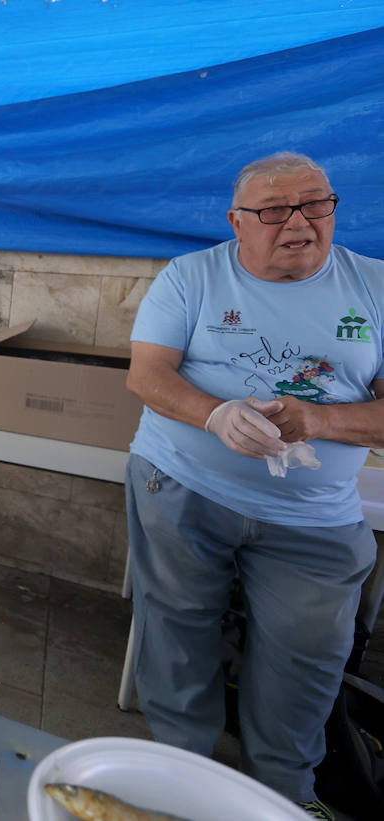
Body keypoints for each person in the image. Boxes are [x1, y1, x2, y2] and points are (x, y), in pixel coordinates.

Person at [125, 152, 381, 818]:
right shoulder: (191, 277)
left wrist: (319, 418)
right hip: (182, 486)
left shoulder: (375, 288)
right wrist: (214, 414)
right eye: (274, 210)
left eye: (314, 204)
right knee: (176, 634)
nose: (297, 222)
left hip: (317, 520)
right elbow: (147, 374)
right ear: (237, 222)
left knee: (303, 666)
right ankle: (180, 781)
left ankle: (277, 799)